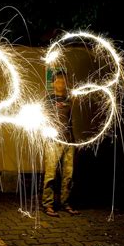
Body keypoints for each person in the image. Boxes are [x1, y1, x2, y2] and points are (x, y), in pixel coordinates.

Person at [42, 71, 80, 217]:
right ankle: (48, 204)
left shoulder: (69, 100)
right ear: (53, 83)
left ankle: (66, 203)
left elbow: (70, 122)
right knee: (50, 174)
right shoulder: (48, 100)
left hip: (68, 141)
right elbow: (43, 119)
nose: (61, 83)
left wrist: (73, 141)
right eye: (58, 81)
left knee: (68, 175)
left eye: (63, 81)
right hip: (53, 141)